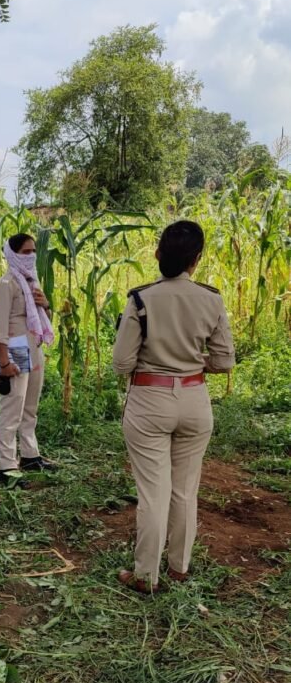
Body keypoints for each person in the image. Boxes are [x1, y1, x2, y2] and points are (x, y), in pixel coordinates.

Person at [113, 220, 235, 594]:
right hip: (195, 400)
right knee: (184, 490)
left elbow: (122, 363)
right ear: (196, 260)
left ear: (157, 254)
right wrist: (194, 362)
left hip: (149, 400)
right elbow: (225, 360)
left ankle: (145, 576)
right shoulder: (211, 299)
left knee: (153, 493)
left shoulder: (141, 299)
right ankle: (179, 568)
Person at [0, 233, 56, 487]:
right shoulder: (6, 284)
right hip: (15, 350)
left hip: (34, 347)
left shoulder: (32, 281)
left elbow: (42, 317)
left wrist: (46, 304)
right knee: (12, 408)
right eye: (25, 252)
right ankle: (6, 466)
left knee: (30, 406)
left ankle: (30, 455)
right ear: (12, 254)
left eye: (33, 251)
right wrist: (3, 363)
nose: (31, 256)